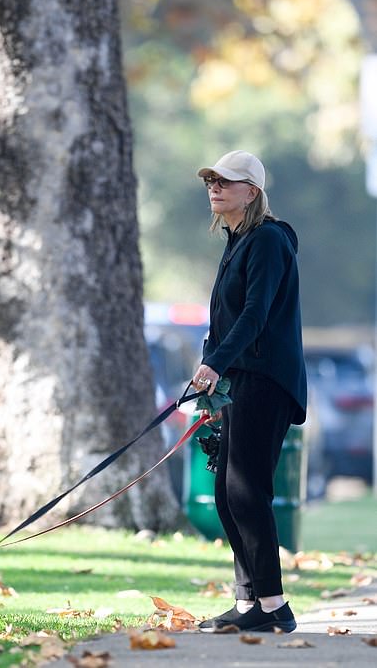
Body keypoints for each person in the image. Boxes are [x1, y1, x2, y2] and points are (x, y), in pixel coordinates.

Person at [191, 150, 307, 633]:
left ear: (252, 192)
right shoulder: (237, 239)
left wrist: (215, 364)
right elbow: (223, 319)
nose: (215, 187)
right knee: (226, 494)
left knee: (246, 492)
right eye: (212, 180)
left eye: (226, 181)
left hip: (265, 381)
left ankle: (275, 606)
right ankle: (247, 605)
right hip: (241, 382)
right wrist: (210, 379)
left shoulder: (267, 241)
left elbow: (255, 315)